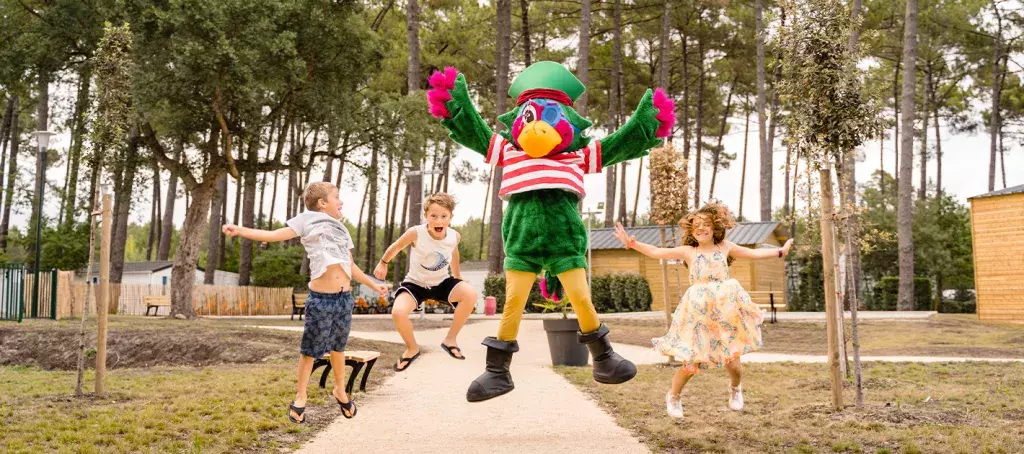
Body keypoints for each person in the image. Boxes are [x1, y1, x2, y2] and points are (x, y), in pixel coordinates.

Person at [223, 181, 388, 423]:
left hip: (344, 300)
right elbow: (274, 235)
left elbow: (350, 265)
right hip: (321, 300)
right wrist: (240, 230)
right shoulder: (306, 219)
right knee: (310, 351)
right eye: (337, 197)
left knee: (338, 348)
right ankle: (301, 396)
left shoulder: (342, 229)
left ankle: (340, 390)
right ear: (322, 203)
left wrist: (373, 284)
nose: (341, 202)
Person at [612, 202, 792, 419]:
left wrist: (780, 252)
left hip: (725, 313)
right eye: (696, 225)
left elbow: (753, 254)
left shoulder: (724, 247)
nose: (701, 228)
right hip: (699, 314)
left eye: (706, 224)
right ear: (691, 231)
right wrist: (630, 242)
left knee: (734, 365)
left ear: (715, 227)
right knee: (691, 364)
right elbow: (656, 251)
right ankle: (673, 396)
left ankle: (735, 389)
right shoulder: (689, 251)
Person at [374, 193, 478, 371]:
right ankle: (412, 348)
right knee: (398, 312)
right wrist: (383, 262)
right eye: (433, 216)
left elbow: (454, 253)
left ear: (451, 217)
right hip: (415, 284)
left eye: (444, 216)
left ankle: (450, 339)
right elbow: (397, 246)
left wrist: (457, 275)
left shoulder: (454, 236)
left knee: (470, 294)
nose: (439, 221)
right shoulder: (416, 233)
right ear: (426, 216)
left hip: (442, 282)